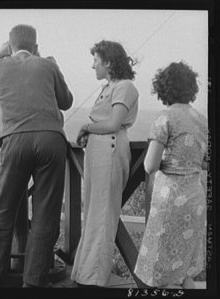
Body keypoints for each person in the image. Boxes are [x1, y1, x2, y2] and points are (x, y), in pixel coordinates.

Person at [0, 24, 73, 288]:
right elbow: (66, 101)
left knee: (3, 210)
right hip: (51, 140)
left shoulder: (0, 65)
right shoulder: (47, 65)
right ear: (36, 45)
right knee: (46, 214)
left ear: (9, 45)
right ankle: (34, 281)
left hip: (15, 141)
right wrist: (54, 66)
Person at [71, 40, 139, 287]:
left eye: (96, 61)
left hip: (110, 151)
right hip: (98, 153)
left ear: (109, 62)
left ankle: (94, 278)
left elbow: (112, 124)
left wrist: (86, 126)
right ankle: (85, 274)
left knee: (103, 215)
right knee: (92, 213)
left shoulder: (125, 87)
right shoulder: (109, 87)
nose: (93, 66)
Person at [134, 61, 207, 289]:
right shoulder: (202, 120)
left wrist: (171, 161)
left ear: (163, 88)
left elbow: (149, 165)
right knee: (185, 271)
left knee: (162, 270)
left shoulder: (165, 118)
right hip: (195, 196)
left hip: (171, 200)